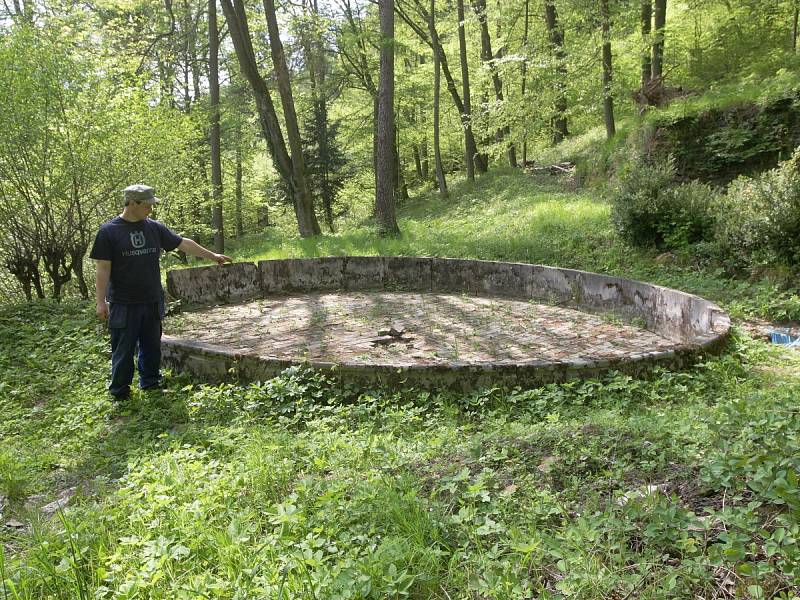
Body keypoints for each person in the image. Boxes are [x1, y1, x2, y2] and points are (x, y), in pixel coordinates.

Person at [90, 184, 231, 401]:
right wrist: (101, 302)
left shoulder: (154, 228)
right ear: (133, 204)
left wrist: (213, 256)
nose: (151, 209)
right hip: (124, 303)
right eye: (147, 205)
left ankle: (150, 384)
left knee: (151, 346)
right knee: (123, 350)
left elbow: (183, 243)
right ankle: (120, 393)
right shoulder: (109, 231)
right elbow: (103, 269)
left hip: (152, 300)